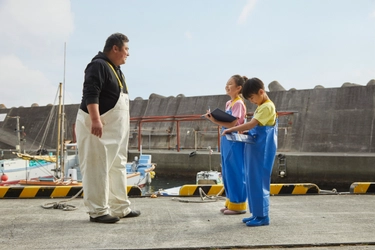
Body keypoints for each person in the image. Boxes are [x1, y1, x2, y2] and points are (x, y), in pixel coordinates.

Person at [75, 33, 140, 223]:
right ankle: (98, 211)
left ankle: (120, 207)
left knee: (117, 166)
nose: (128, 53)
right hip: (97, 126)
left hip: (115, 130)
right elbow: (90, 91)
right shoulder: (98, 65)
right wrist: (95, 119)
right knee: (97, 167)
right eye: (126, 49)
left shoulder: (116, 69)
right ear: (115, 48)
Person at [222, 77, 277, 227]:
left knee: (259, 181)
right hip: (255, 148)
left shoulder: (267, 106)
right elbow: (254, 127)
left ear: (261, 92)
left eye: (252, 98)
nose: (252, 101)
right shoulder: (261, 106)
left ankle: (263, 216)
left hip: (262, 150)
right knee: (252, 180)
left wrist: (232, 129)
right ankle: (256, 214)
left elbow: (253, 123)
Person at [203, 75, 247, 215]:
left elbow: (233, 123)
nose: (227, 86)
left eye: (230, 84)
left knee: (235, 170)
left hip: (234, 139)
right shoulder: (229, 103)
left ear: (238, 88)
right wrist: (214, 118)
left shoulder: (238, 103)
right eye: (226, 84)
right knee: (227, 171)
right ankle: (231, 202)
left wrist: (215, 121)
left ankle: (239, 205)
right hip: (226, 139)